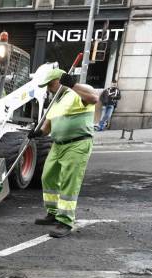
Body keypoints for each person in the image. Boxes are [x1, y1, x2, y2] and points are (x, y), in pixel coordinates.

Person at [32, 68, 99, 238]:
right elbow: (46, 128)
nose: (48, 88)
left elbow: (94, 98)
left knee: (69, 183)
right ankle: (53, 213)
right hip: (58, 145)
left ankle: (65, 221)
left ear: (61, 81)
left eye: (51, 84)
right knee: (47, 176)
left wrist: (73, 84)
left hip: (77, 144)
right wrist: (37, 133)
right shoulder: (56, 101)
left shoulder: (78, 93)